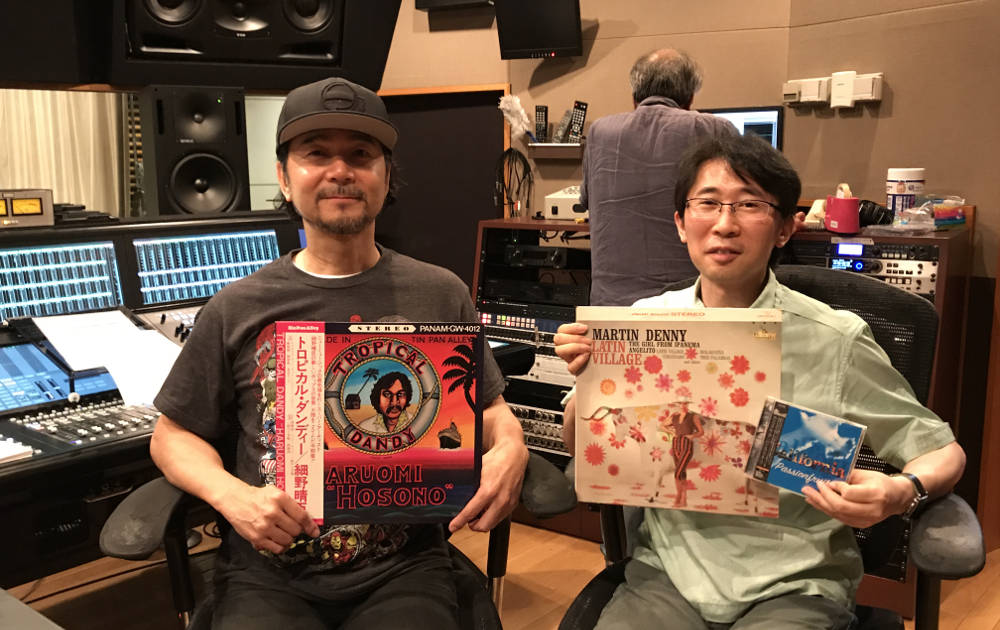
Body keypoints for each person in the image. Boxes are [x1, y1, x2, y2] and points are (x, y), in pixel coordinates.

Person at [149, 76, 529, 630]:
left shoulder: (440, 292)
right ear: (284, 177)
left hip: (404, 566)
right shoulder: (238, 305)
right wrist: (231, 496)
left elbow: (488, 409)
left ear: (386, 176)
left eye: (360, 155)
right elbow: (171, 435)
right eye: (316, 153)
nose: (340, 170)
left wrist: (512, 446)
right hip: (268, 571)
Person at [554, 133, 965, 629]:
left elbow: (942, 451)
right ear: (681, 223)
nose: (725, 224)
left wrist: (901, 491)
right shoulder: (643, 325)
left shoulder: (836, 338)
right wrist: (588, 383)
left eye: (749, 205)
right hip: (668, 573)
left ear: (785, 228)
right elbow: (581, 446)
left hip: (795, 582)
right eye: (707, 203)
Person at [582, 48, 737, 307]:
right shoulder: (714, 129)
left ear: (634, 97)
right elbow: (741, 206)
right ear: (690, 98)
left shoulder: (599, 132)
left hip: (611, 310)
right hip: (689, 309)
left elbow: (586, 201)